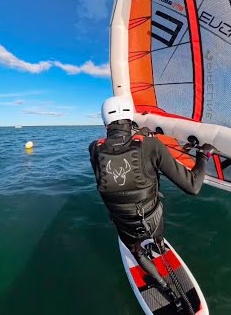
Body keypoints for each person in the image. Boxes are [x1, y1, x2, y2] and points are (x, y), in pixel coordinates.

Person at [89, 94, 215, 268]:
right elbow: (193, 186)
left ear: (105, 123)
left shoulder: (94, 148)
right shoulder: (151, 145)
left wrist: (140, 135)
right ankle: (157, 245)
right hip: (150, 221)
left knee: (133, 242)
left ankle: (136, 251)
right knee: (154, 235)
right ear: (131, 118)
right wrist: (203, 156)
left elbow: (119, 149)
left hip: (121, 222)